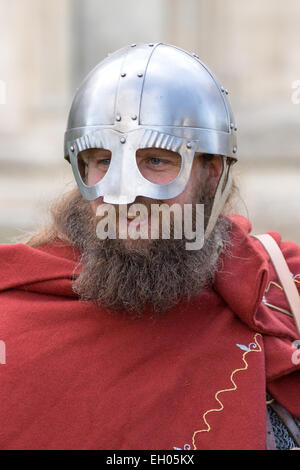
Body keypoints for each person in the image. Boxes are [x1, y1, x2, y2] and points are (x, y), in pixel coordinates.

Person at [0, 42, 299, 451]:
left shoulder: (282, 292)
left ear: (212, 174)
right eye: (103, 160)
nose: (124, 194)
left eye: (157, 160)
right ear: (80, 167)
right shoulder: (14, 318)